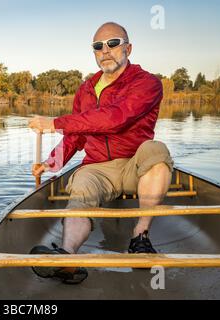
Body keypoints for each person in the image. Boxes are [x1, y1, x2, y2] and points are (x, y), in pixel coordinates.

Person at [27, 22, 174, 284]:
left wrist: (55, 123)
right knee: (81, 183)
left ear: (128, 48)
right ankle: (67, 257)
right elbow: (77, 136)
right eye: (98, 46)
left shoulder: (147, 83)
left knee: (157, 151)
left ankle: (140, 236)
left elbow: (116, 117)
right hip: (97, 167)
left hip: (134, 165)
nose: (105, 51)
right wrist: (51, 163)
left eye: (113, 43)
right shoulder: (85, 89)